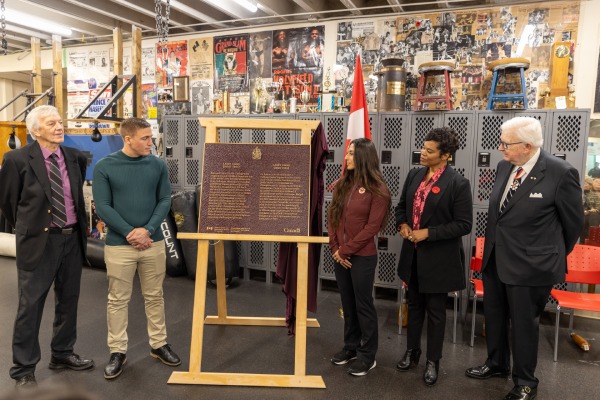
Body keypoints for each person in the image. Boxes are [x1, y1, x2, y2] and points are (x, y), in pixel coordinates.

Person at [465, 117, 583, 400]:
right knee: (493, 316)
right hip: (496, 260)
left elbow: (573, 225)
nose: (500, 148)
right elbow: (501, 215)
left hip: (532, 266)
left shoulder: (560, 173)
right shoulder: (505, 166)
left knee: (523, 325)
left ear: (528, 146)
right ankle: (496, 363)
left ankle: (526, 381)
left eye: (506, 143)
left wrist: (547, 255)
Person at [0, 105, 93, 388]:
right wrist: (31, 228)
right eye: (51, 123)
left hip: (72, 240)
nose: (59, 127)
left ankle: (62, 353)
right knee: (31, 305)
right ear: (35, 130)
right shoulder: (16, 159)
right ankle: (23, 368)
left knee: (68, 300)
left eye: (60, 121)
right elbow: (7, 203)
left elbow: (76, 198)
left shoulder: (74, 157)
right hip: (39, 242)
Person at [92, 118, 180, 380]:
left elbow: (165, 199)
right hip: (120, 246)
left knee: (155, 296)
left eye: (150, 137)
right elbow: (104, 206)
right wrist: (131, 233)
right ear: (127, 139)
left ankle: (158, 344)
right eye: (144, 138)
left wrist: (148, 230)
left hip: (152, 242)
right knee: (118, 300)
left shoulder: (157, 165)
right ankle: (117, 351)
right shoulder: (105, 166)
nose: (150, 142)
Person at [394, 127, 472, 386]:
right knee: (414, 306)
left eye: (429, 151)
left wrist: (428, 233)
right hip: (413, 256)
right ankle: (412, 351)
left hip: (439, 259)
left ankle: (432, 361)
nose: (423, 153)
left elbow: (463, 224)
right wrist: (403, 225)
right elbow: (401, 207)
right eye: (423, 148)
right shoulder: (414, 175)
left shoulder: (458, 184)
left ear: (446, 155)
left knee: (436, 312)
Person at [328, 138, 391, 376]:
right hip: (340, 255)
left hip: (362, 257)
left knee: (363, 305)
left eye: (352, 154)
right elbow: (332, 215)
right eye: (347, 153)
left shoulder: (378, 190)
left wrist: (345, 250)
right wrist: (335, 247)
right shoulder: (343, 184)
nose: (346, 157)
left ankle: (367, 355)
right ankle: (351, 347)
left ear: (364, 157)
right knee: (347, 304)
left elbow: (371, 228)